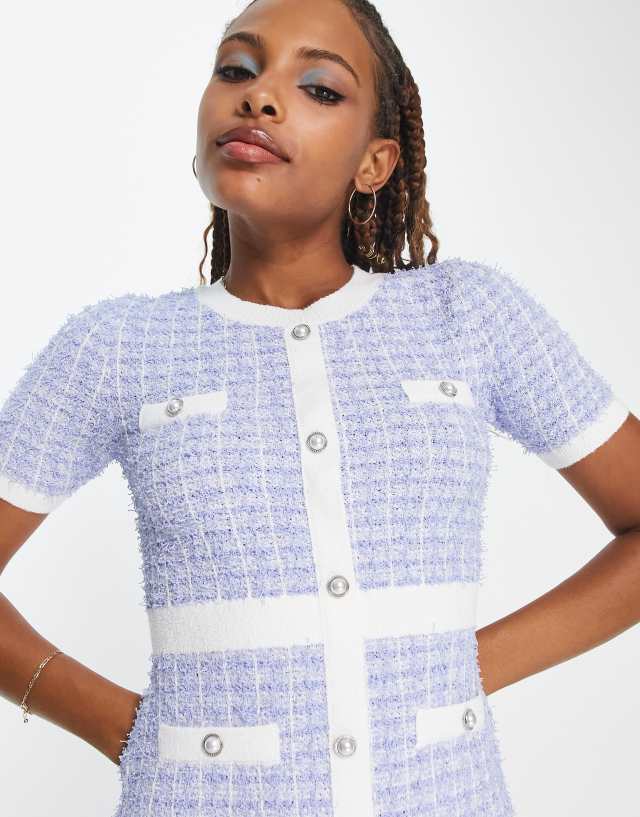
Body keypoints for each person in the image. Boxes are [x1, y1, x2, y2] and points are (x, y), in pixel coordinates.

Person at [1, 0, 638, 815]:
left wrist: (461, 666)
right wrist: (117, 725)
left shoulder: (469, 317)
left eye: (320, 89)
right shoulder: (120, 346)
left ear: (374, 163)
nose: (259, 97)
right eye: (236, 69)